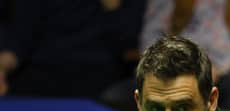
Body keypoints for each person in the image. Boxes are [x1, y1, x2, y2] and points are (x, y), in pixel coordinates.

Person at [102, 0, 230, 111]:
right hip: (175, 67)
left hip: (229, 68)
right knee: (113, 99)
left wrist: (218, 68)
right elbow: (153, 31)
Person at [0, 0, 145, 98]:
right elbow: (19, 40)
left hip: (96, 72)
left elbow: (129, 39)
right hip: (39, 72)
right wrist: (3, 68)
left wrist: (113, 8)